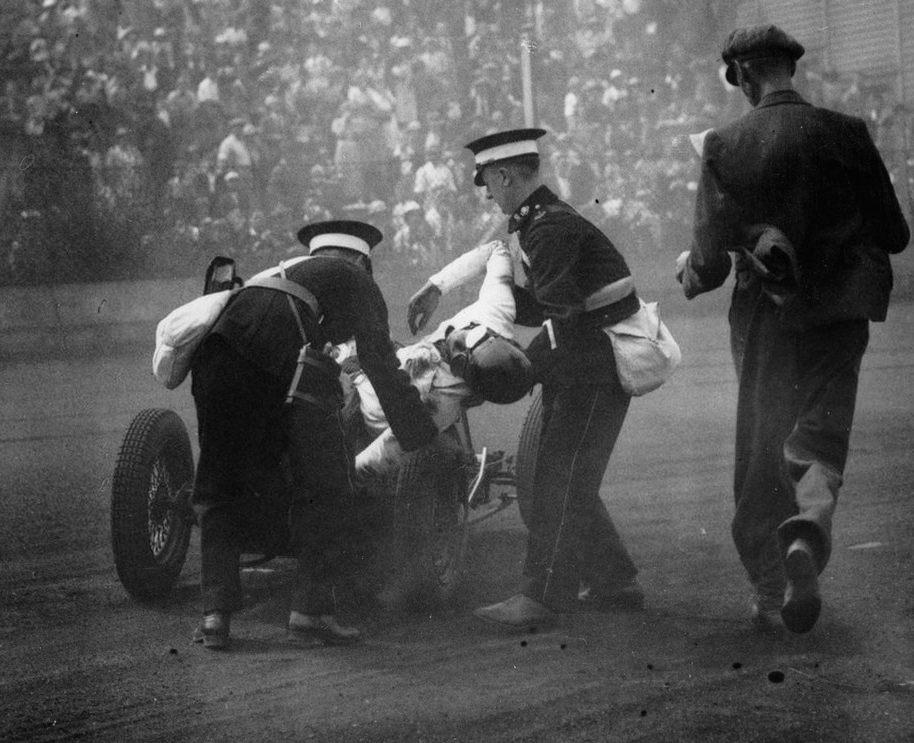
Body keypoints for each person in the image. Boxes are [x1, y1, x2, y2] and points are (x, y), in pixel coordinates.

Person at [676, 25, 910, 633]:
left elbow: (706, 259)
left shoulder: (724, 144)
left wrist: (696, 272)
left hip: (766, 319)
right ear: (790, 69)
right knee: (821, 433)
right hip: (841, 313)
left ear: (745, 76)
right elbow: (895, 233)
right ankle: (806, 532)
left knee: (761, 445)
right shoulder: (849, 132)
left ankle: (767, 585)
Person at [429, 128, 644, 629]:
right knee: (570, 479)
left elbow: (561, 313)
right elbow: (550, 305)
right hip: (587, 360)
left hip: (590, 366)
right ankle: (615, 582)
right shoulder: (542, 224)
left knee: (556, 482)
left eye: (486, 180)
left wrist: (510, 373)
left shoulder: (547, 228)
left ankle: (542, 597)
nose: (485, 192)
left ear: (504, 175)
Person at [190, 220, 438, 650]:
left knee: (219, 480)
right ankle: (310, 611)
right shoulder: (357, 280)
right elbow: (380, 364)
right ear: (361, 261)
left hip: (216, 353)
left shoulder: (279, 272)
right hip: (284, 350)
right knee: (329, 485)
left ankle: (215, 616)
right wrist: (420, 435)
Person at [352, 240, 533, 481]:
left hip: (380, 407)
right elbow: (496, 248)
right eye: (475, 338)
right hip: (395, 362)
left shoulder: (439, 407)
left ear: (462, 368)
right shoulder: (497, 311)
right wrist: (436, 286)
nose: (457, 338)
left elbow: (374, 458)